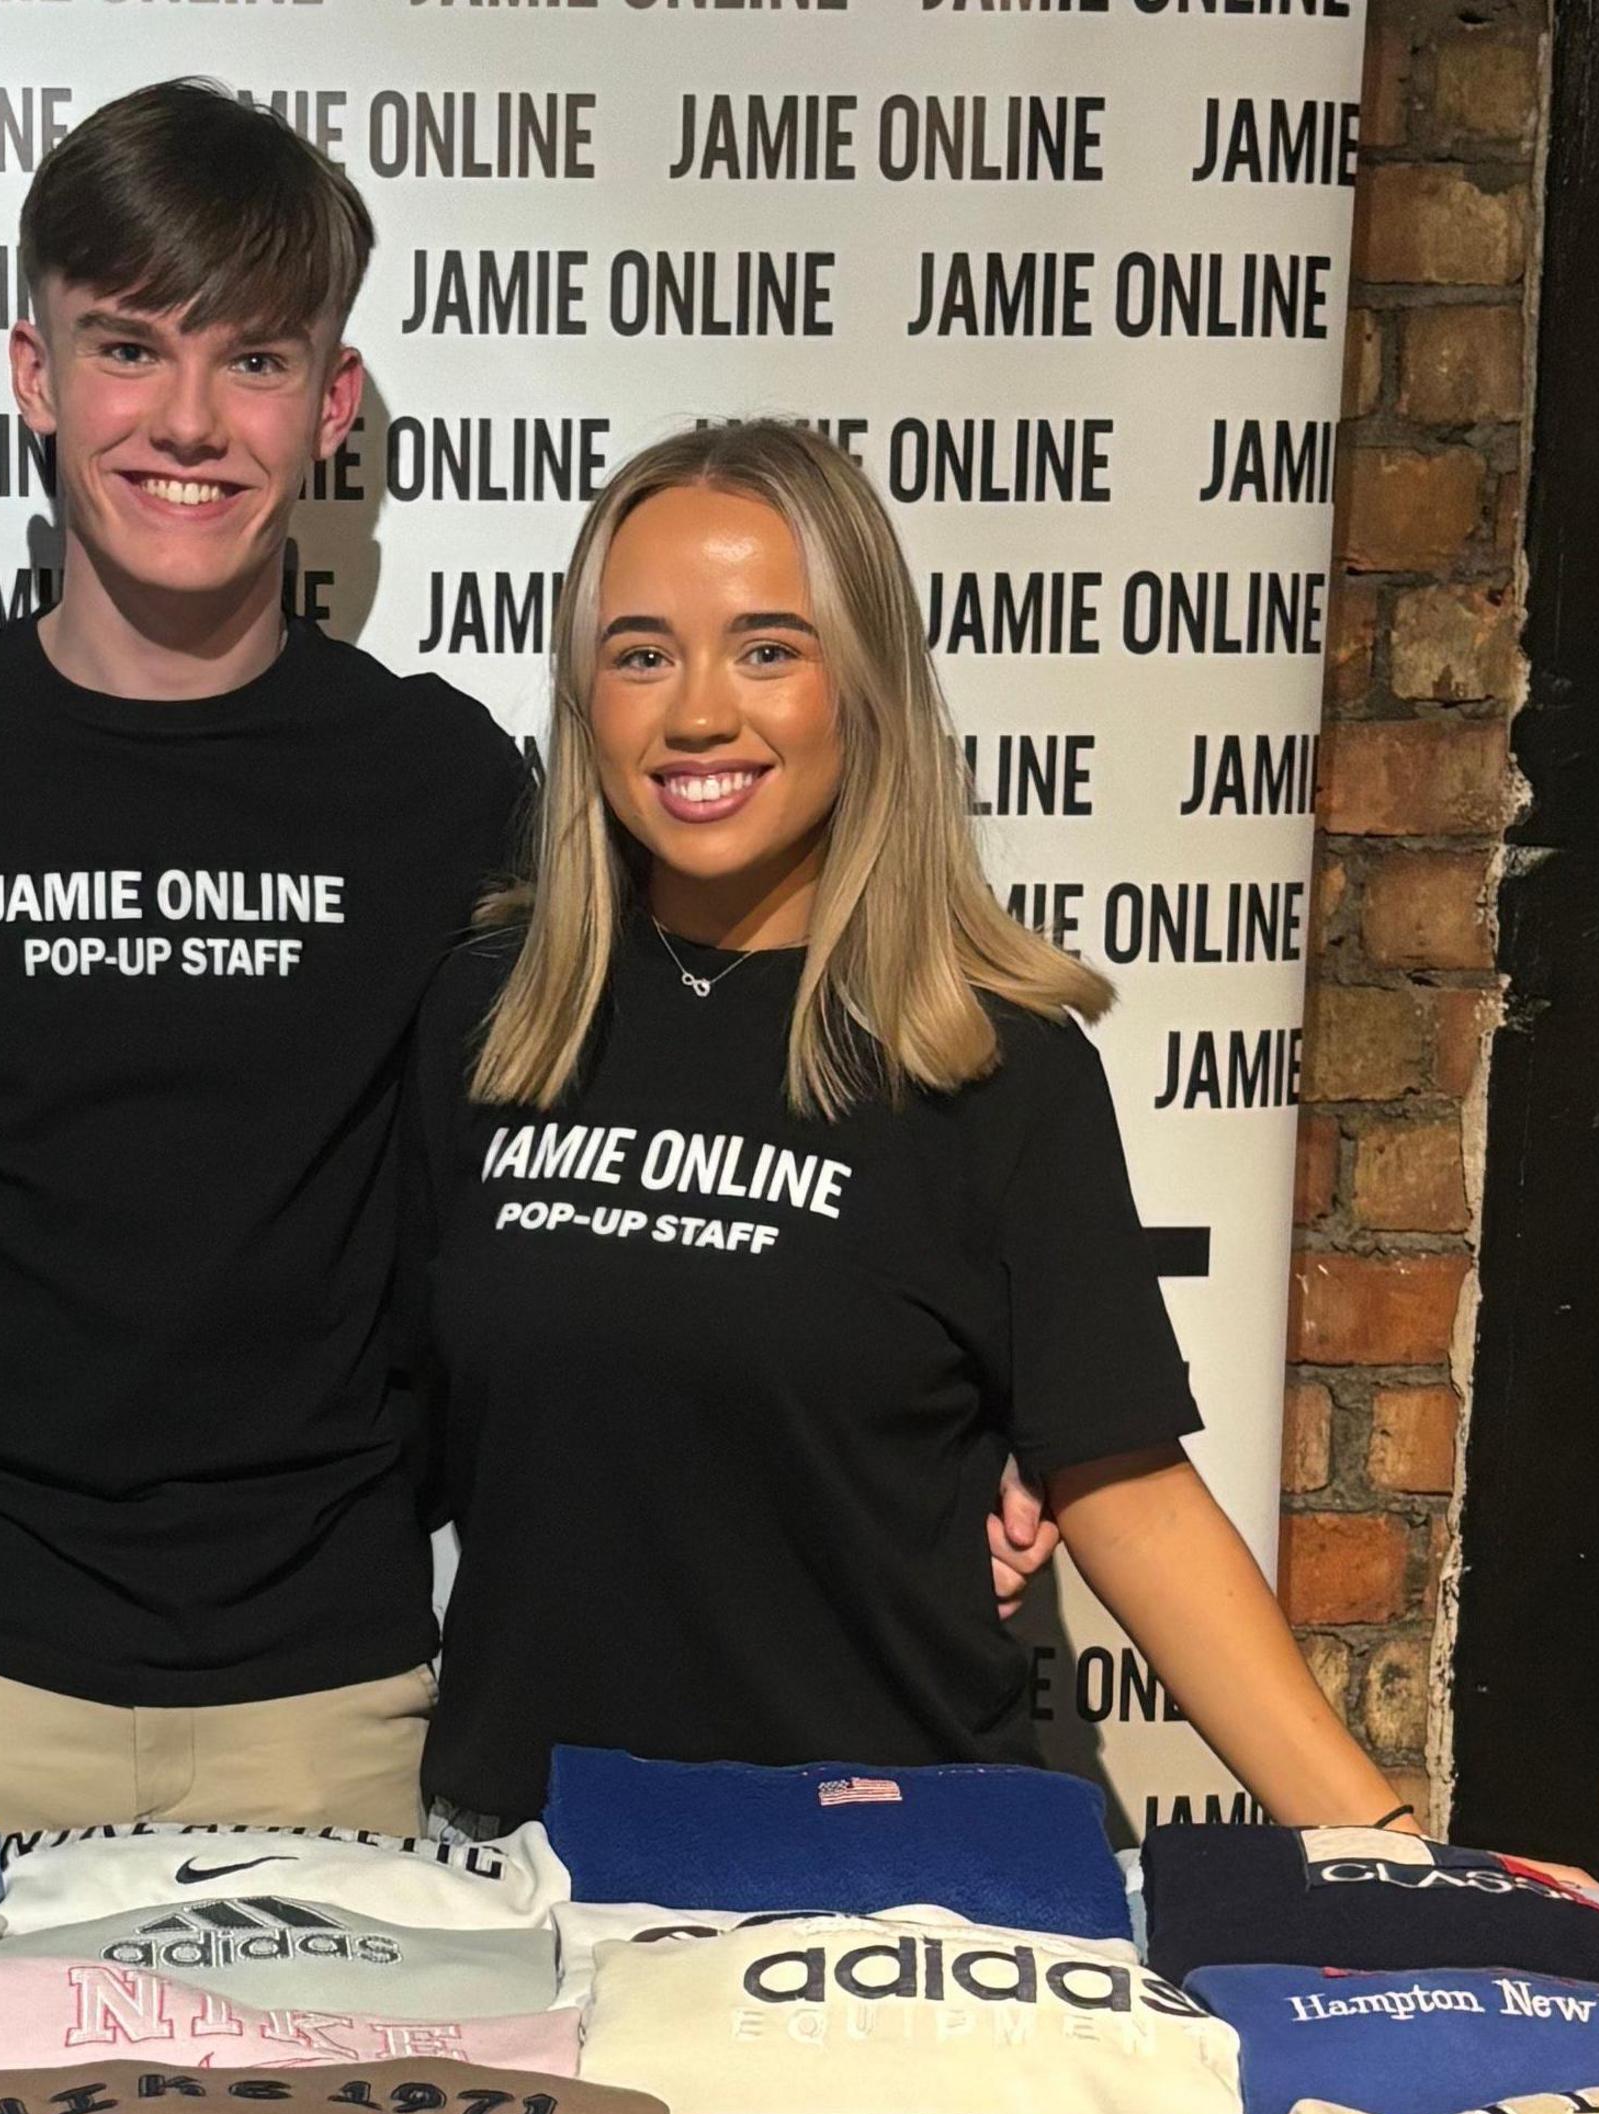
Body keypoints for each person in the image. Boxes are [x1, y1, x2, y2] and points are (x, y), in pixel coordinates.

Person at [0, 84, 1061, 1837]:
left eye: (252, 360)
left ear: (332, 408)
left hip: (341, 1701)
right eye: (125, 348)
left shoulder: (453, 786)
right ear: (35, 375)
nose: (187, 420)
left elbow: (718, 1117)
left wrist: (1000, 1410)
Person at [406, 420, 1409, 1833]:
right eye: (641, 653)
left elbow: (1128, 1491)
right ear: (584, 698)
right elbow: (398, 1424)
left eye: (768, 648)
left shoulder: (992, 1064)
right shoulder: (486, 1022)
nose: (699, 713)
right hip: (539, 1863)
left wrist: (1391, 1858)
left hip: (893, 1870)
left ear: (862, 683)